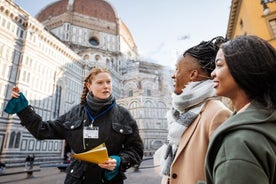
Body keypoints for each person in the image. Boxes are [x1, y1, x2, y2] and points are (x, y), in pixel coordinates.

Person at [4, 67, 144, 184]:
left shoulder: (123, 115)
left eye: (108, 82)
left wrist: (119, 160)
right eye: (100, 82)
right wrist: (23, 109)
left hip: (109, 179)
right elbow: (43, 130)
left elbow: (136, 150)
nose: (106, 86)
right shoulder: (75, 113)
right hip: (77, 179)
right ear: (89, 86)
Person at [154, 37, 232, 184]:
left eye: (177, 69)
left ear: (193, 74)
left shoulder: (217, 114)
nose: (172, 75)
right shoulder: (178, 114)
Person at [203, 35, 276, 184]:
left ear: (242, 67)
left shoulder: (237, 143)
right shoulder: (268, 118)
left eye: (219, 65)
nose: (213, 73)